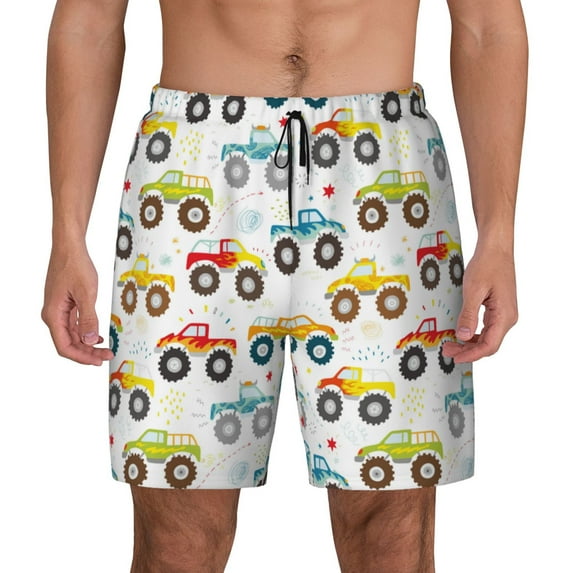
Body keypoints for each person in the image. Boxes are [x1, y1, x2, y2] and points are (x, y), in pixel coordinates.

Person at [42, 0, 527, 571]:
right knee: (176, 536)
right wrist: (66, 235)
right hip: (196, 153)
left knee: (390, 529)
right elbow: (89, 23)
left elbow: (487, 25)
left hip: (382, 169)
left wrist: (499, 235)